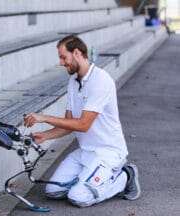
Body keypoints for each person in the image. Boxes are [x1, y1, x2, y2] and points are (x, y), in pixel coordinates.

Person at [24, 35, 141, 207]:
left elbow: (83, 125)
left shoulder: (100, 80)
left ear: (77, 52)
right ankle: (89, 177)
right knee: (53, 191)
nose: (61, 63)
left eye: (63, 57)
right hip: (85, 152)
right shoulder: (73, 81)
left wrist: (43, 117)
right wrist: (45, 135)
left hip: (107, 152)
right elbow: (69, 123)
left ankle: (125, 176)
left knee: (79, 197)